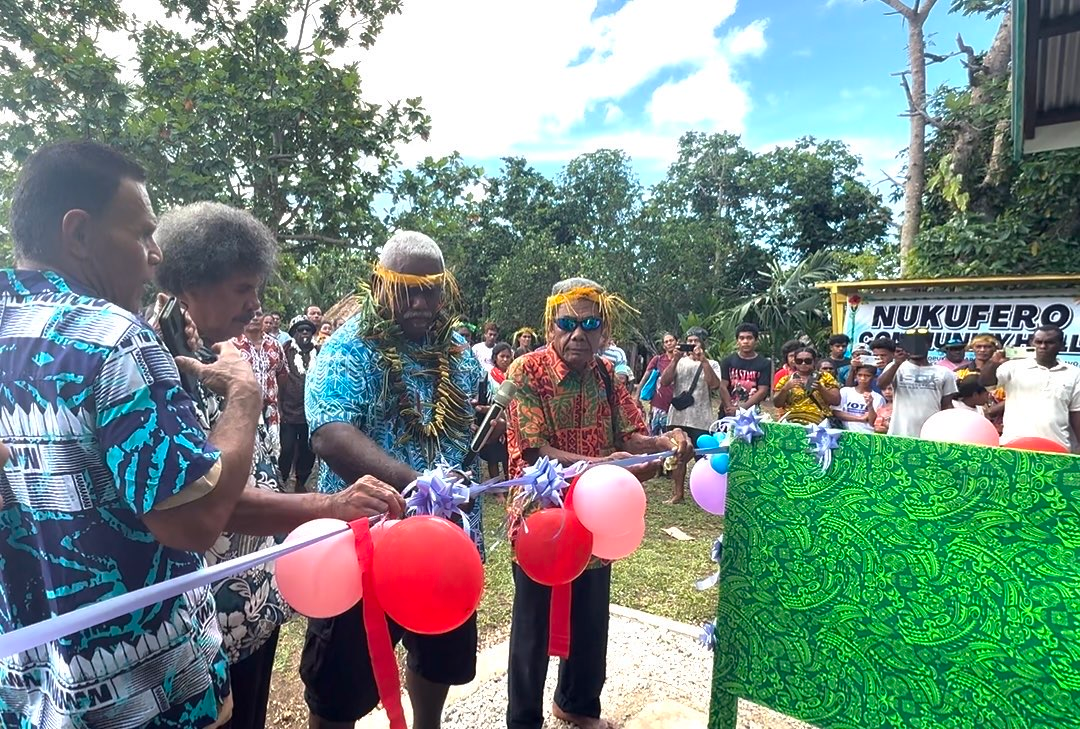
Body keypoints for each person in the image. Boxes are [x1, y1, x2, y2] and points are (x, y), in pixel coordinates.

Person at [0, 140, 263, 727]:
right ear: (78, 234)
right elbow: (193, 519)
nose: (154, 255)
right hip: (148, 701)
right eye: (142, 234)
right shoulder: (113, 339)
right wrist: (244, 394)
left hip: (30, 696)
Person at [153, 201, 404, 729]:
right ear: (192, 282)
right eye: (242, 289)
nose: (255, 304)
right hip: (205, 618)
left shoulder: (214, 347)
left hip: (247, 607)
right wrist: (329, 505)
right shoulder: (157, 361)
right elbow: (207, 498)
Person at [302, 231, 484, 729]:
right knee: (339, 687)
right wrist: (422, 486)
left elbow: (476, 414)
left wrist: (487, 430)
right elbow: (331, 436)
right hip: (366, 548)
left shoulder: (459, 351)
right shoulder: (349, 348)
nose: (420, 303)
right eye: (407, 289)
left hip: (446, 544)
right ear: (380, 283)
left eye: (430, 289)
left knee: (438, 656)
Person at [504, 277, 693, 729]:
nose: (578, 334)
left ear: (604, 332)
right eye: (567, 323)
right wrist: (599, 465)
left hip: (598, 515)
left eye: (590, 324)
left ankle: (577, 703)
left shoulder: (608, 375)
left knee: (591, 616)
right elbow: (533, 450)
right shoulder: (526, 372)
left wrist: (665, 440)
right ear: (549, 327)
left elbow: (631, 435)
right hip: (540, 514)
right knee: (533, 625)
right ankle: (523, 721)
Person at [980, 325, 1080, 451]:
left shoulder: (1074, 373)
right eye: (1039, 342)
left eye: (1049, 342)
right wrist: (993, 362)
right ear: (1032, 343)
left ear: (1062, 346)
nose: (1043, 346)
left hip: (1057, 447)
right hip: (1014, 445)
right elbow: (985, 382)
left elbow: (1076, 412)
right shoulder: (1012, 367)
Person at [660, 327, 722, 504]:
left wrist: (703, 361)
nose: (692, 344)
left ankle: (707, 494)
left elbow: (714, 384)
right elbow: (664, 381)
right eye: (689, 341)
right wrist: (675, 360)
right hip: (678, 416)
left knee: (704, 458)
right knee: (678, 455)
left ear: (703, 343)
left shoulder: (712, 364)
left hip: (701, 418)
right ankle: (678, 494)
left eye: (696, 341)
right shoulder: (679, 361)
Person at [232, 309, 287, 457]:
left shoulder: (275, 345)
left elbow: (282, 374)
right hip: (242, 411)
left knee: (273, 453)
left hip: (270, 412)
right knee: (246, 455)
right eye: (249, 314)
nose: (254, 318)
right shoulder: (232, 345)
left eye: (258, 314)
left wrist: (278, 403)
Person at [877, 339, 958, 437]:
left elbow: (946, 405)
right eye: (912, 345)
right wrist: (897, 364)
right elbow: (882, 385)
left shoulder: (944, 372)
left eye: (920, 344)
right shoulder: (896, 367)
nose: (916, 348)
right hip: (899, 432)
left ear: (929, 345)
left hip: (931, 432)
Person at [280, 316, 319, 491]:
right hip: (288, 409)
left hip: (311, 411)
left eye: (308, 330)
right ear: (293, 333)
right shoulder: (285, 350)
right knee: (286, 449)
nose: (304, 333)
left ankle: (301, 481)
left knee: (308, 449)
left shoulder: (319, 351)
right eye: (300, 330)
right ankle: (281, 480)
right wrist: (279, 406)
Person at [773, 347, 841, 425]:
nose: (803, 363)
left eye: (808, 361)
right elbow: (777, 404)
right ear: (795, 362)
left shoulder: (825, 377)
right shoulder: (786, 380)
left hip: (818, 420)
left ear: (814, 361)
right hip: (792, 420)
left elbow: (836, 401)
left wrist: (821, 389)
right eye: (799, 361)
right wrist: (785, 389)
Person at [477, 341, 515, 480]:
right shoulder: (489, 376)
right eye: (502, 356)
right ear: (495, 358)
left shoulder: (513, 376)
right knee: (492, 454)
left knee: (507, 454)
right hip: (492, 418)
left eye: (508, 357)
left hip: (510, 418)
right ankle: (495, 486)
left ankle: (508, 481)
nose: (505, 360)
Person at [719, 323, 772, 415]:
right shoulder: (728, 361)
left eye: (749, 338)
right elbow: (722, 386)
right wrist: (729, 407)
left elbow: (763, 390)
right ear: (737, 341)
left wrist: (741, 409)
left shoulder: (764, 363)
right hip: (727, 412)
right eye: (742, 338)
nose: (745, 341)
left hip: (751, 413)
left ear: (756, 341)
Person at [640, 333, 678, 436]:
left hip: (675, 406)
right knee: (653, 437)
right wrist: (637, 396)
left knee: (671, 437)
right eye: (666, 342)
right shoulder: (658, 360)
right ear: (663, 346)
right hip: (657, 405)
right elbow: (645, 377)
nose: (669, 343)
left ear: (677, 342)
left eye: (671, 340)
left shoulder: (683, 361)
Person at [834, 365, 886, 433]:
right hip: (847, 433)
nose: (862, 378)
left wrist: (870, 406)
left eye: (867, 376)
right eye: (860, 375)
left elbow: (873, 422)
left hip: (868, 433)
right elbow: (836, 412)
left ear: (874, 377)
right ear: (856, 376)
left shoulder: (878, 398)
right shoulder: (845, 391)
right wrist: (860, 418)